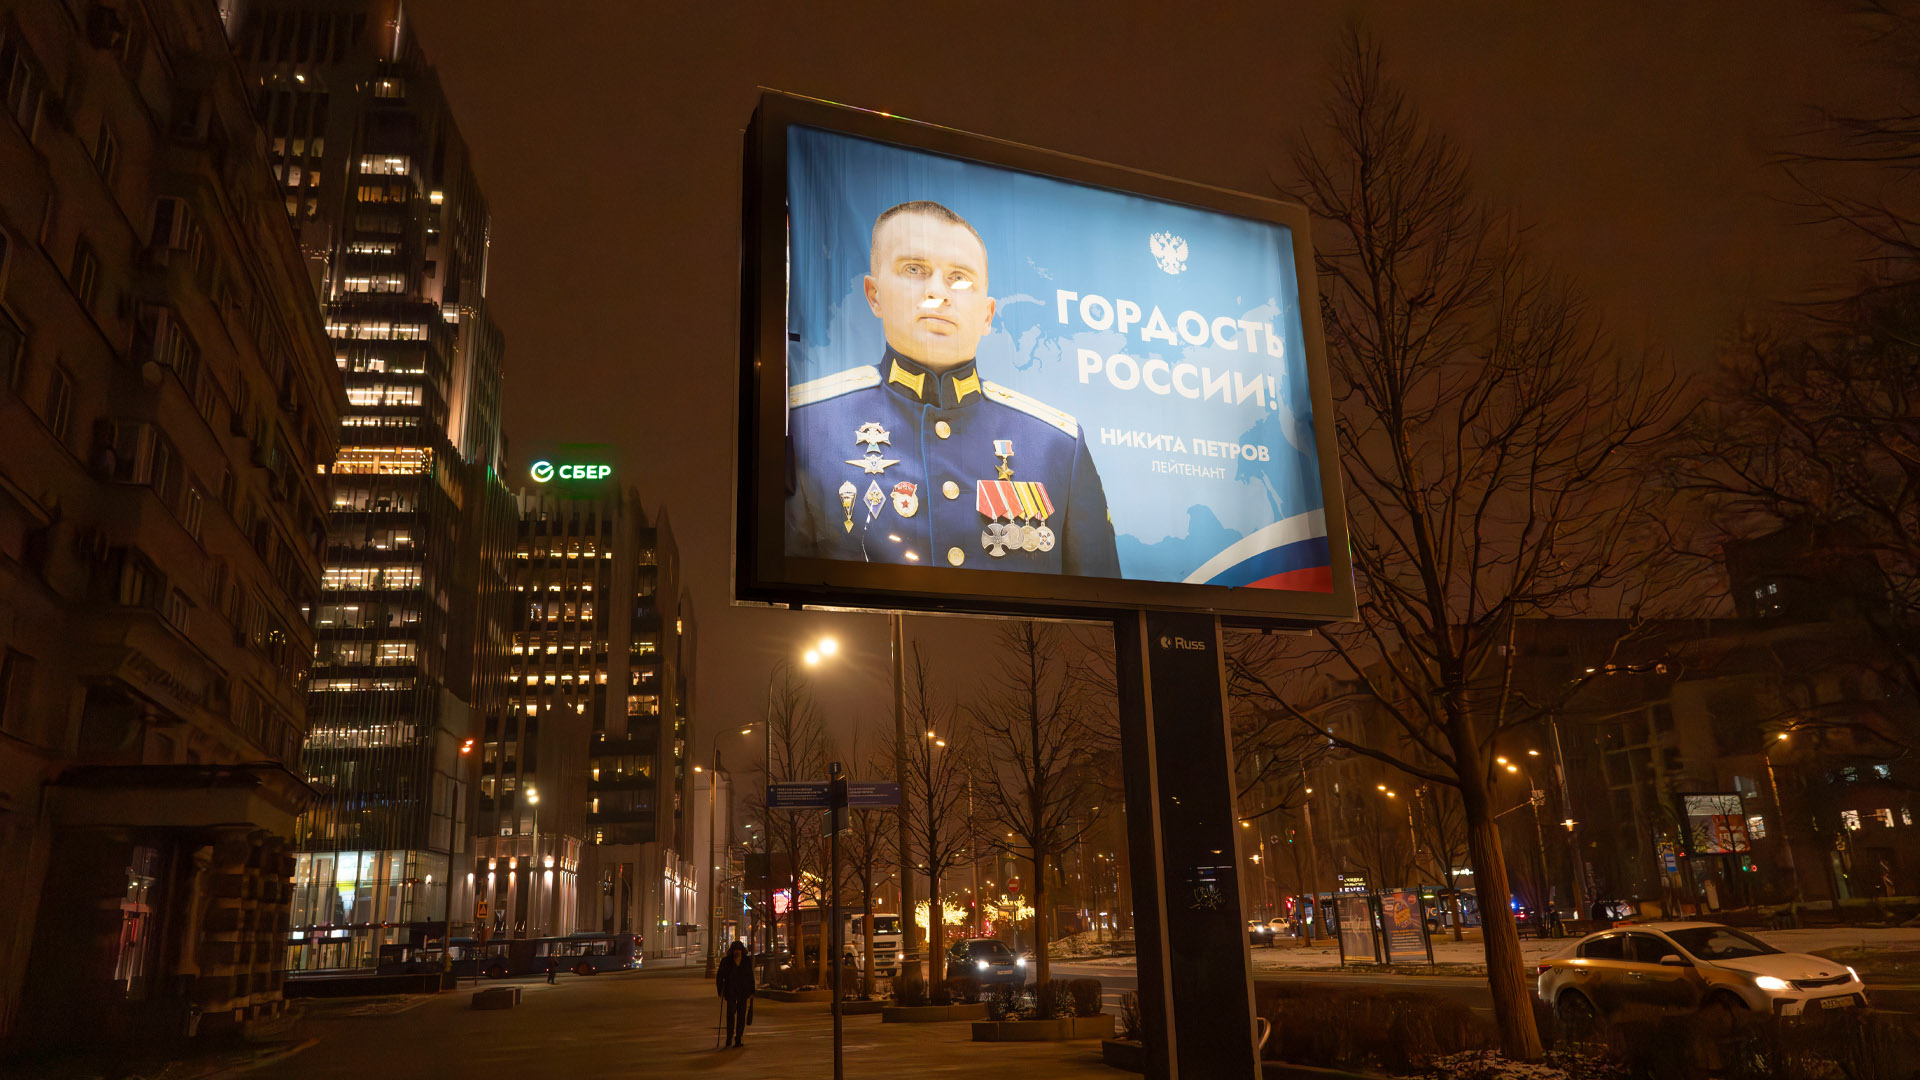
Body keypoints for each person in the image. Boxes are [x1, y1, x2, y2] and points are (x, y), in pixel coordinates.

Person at [786, 200, 1121, 575]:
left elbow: (1101, 613)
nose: (938, 293)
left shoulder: (1057, 446)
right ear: (874, 294)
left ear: (987, 314)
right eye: (914, 269)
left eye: (960, 278)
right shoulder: (807, 426)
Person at [716, 941, 754, 1048]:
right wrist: (721, 991)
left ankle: (738, 1038)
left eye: (739, 950)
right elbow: (720, 977)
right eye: (735, 950)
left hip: (743, 992)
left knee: (741, 1016)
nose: (737, 953)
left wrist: (752, 991)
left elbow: (750, 976)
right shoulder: (726, 961)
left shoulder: (746, 961)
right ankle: (729, 1037)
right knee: (730, 1016)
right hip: (731, 992)